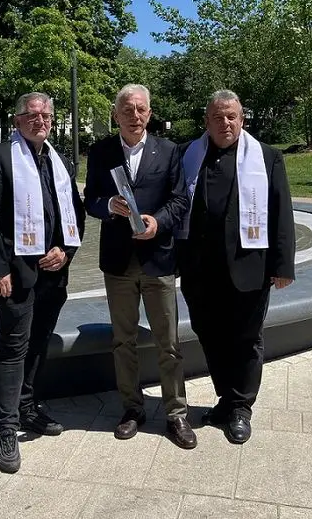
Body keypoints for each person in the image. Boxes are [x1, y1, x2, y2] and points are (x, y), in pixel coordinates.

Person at [0, 92, 85, 474]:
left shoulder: (60, 161)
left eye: (46, 115)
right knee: (13, 346)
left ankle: (26, 406)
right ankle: (5, 429)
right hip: (14, 271)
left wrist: (66, 251)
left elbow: (76, 211)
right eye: (32, 115)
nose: (40, 120)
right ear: (17, 120)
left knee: (39, 342)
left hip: (53, 269)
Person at [177, 90, 295, 444]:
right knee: (209, 334)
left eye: (231, 117)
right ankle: (227, 399)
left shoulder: (267, 157)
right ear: (207, 122)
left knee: (245, 339)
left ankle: (241, 407)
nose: (225, 123)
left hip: (249, 267)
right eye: (218, 117)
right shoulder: (189, 155)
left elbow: (281, 211)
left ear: (242, 120)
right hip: (200, 269)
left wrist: (283, 264)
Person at [84, 84, 196, 449]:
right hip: (118, 262)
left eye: (141, 110)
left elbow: (181, 200)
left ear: (149, 113)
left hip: (158, 258)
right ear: (115, 114)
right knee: (123, 342)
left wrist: (158, 222)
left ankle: (176, 413)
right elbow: (90, 201)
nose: (135, 116)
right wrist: (107, 205)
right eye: (127, 110)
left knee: (169, 343)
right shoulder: (101, 151)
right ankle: (132, 409)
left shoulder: (168, 151)